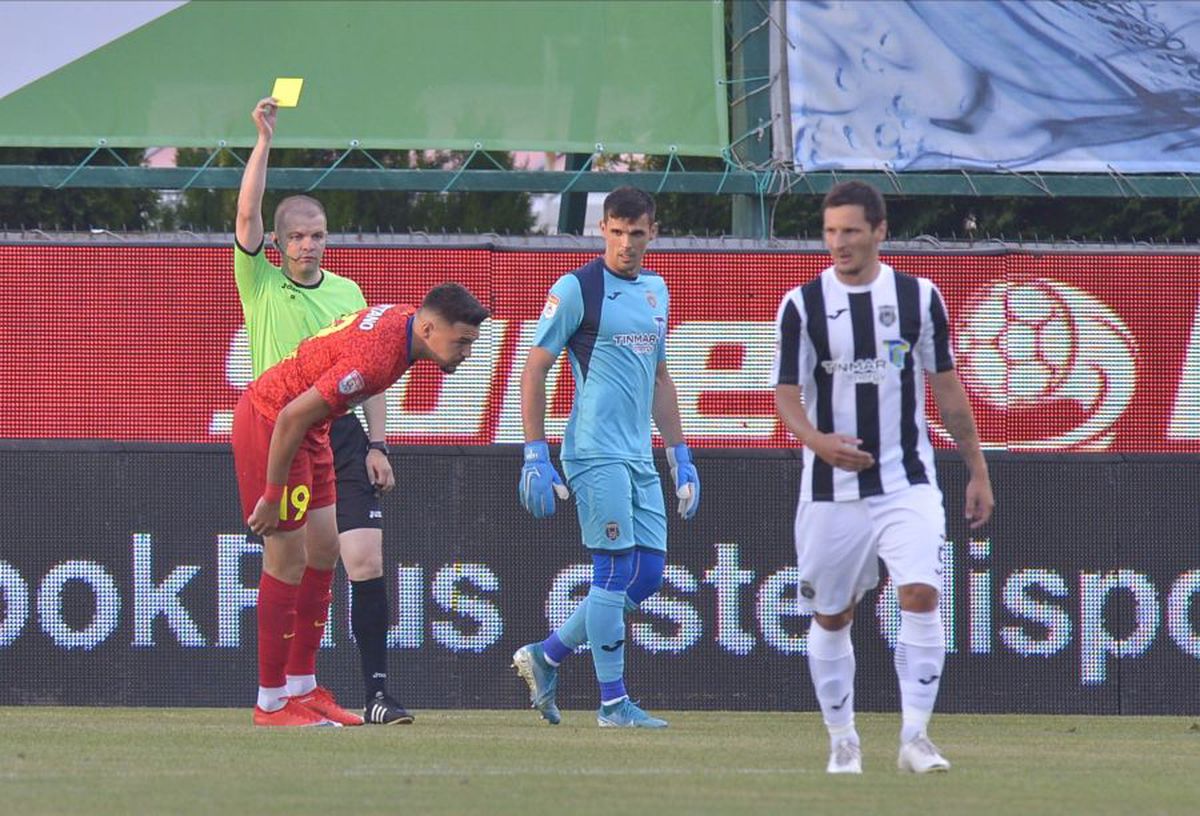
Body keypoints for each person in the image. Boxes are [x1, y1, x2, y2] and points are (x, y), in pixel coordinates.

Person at [770, 180, 994, 773]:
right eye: (830, 232)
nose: (838, 243)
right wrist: (817, 441)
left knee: (920, 592)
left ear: (879, 232)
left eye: (850, 231)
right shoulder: (802, 305)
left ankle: (915, 737)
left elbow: (947, 391)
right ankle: (842, 738)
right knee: (832, 615)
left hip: (906, 480)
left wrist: (976, 469)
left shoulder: (919, 298)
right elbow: (786, 394)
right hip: (830, 489)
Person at [233, 282, 488, 726]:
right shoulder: (377, 358)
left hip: (313, 430)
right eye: (461, 341)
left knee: (325, 548)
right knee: (286, 560)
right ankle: (271, 701)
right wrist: (272, 498)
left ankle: (302, 687)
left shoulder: (406, 325)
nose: (466, 353)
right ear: (428, 328)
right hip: (274, 422)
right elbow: (292, 413)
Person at [511, 186, 700, 729]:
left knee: (647, 574)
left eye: (635, 234)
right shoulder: (577, 288)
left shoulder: (655, 291)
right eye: (615, 232)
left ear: (652, 233)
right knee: (615, 570)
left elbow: (660, 377)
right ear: (603, 230)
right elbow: (534, 370)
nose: (625, 244)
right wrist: (534, 454)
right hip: (593, 450)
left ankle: (546, 656)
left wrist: (680, 454)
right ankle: (613, 704)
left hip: (639, 455)